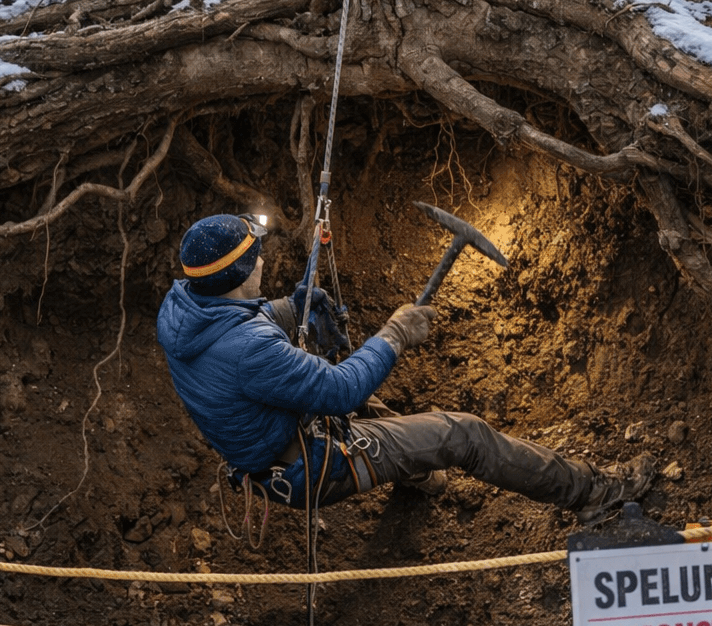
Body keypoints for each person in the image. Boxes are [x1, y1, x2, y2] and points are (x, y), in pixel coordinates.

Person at [156, 213, 655, 517]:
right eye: (256, 256)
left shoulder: (185, 307)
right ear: (242, 271)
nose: (263, 260)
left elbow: (243, 323)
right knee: (464, 435)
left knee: (384, 413)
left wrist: (293, 306)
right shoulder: (250, 350)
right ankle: (594, 493)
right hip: (310, 466)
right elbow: (340, 391)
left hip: (276, 440)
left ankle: (420, 478)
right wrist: (394, 334)